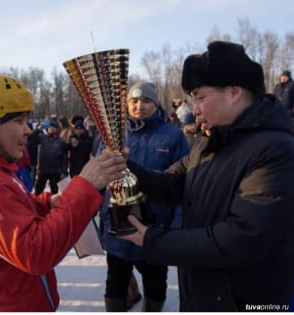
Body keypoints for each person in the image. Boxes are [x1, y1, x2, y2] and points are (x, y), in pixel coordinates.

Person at [119, 41, 294, 311]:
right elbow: (171, 184)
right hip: (201, 295)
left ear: (234, 92)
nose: (195, 109)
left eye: (200, 97)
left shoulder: (275, 149)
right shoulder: (209, 140)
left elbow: (242, 238)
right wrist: (125, 168)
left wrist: (152, 240)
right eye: (192, 99)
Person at [0, 75, 127, 311]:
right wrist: (83, 187)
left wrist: (48, 202)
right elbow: (35, 254)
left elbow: (14, 207)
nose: (28, 131)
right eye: (19, 121)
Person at [100, 82, 189, 312]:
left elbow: (183, 185)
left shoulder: (173, 136)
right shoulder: (112, 135)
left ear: (156, 104)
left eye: (146, 101)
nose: (139, 106)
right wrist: (100, 218)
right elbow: (100, 178)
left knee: (156, 285)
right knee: (115, 285)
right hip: (118, 227)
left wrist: (176, 225)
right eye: (134, 101)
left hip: (154, 229)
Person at [34, 120, 68, 195]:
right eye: (50, 127)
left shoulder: (61, 141)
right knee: (38, 190)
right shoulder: (42, 138)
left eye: (54, 127)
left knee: (54, 191)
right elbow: (32, 138)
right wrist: (37, 130)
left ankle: (53, 205)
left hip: (55, 171)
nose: (52, 129)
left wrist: (63, 171)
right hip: (43, 170)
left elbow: (64, 158)